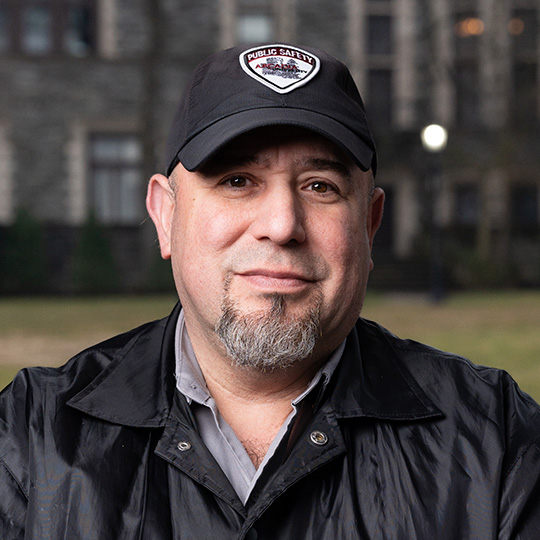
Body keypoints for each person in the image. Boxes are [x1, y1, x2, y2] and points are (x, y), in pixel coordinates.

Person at [1, 42, 539, 539]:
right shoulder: (30, 439)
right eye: (236, 181)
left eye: (320, 187)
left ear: (370, 225)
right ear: (165, 216)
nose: (282, 224)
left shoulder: (495, 442)